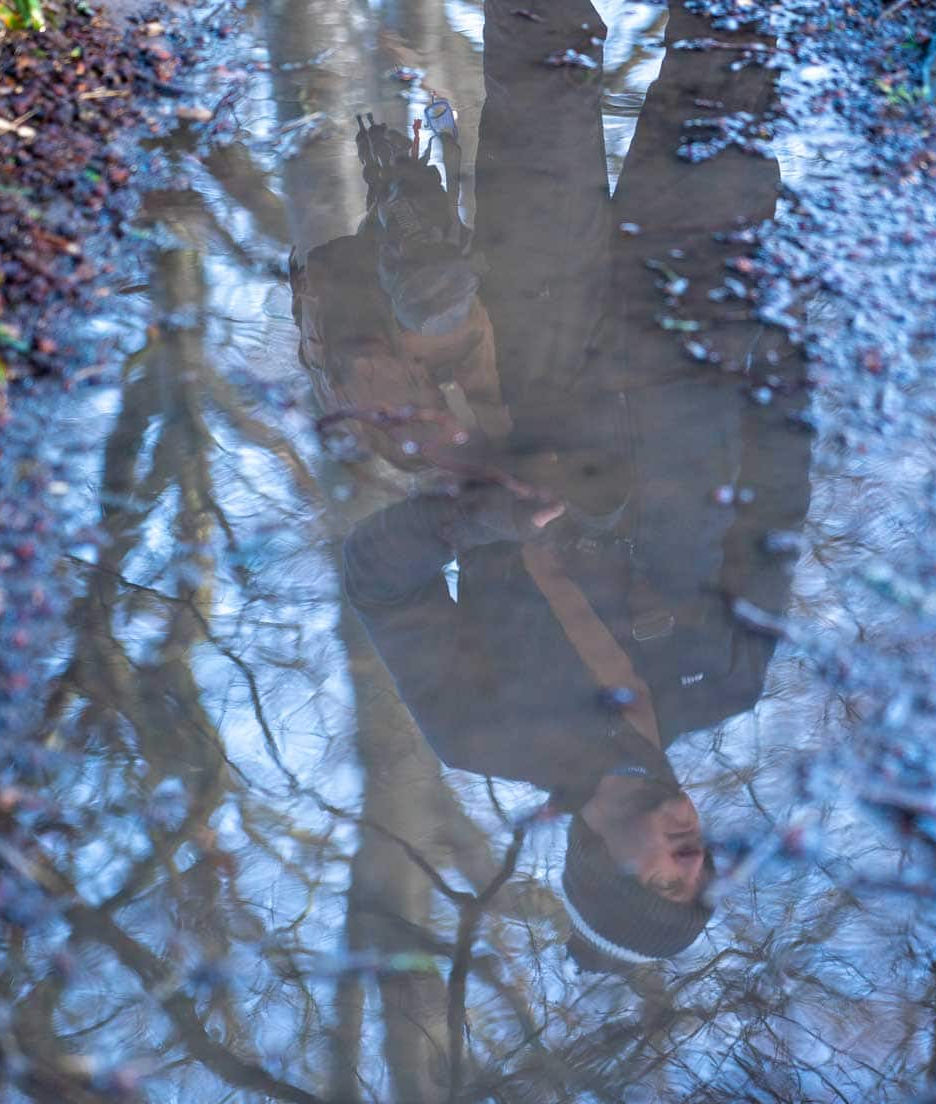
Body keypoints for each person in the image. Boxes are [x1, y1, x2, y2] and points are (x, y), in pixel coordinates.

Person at [306, 0, 809, 970]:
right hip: (695, 322)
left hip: (531, 344)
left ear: (594, 857)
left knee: (545, 64)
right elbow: (779, 489)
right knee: (731, 63)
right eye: (699, 882)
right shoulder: (730, 679)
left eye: (661, 883)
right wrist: (774, 346)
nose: (689, 864)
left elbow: (377, 576)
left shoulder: (478, 729)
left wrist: (476, 519)